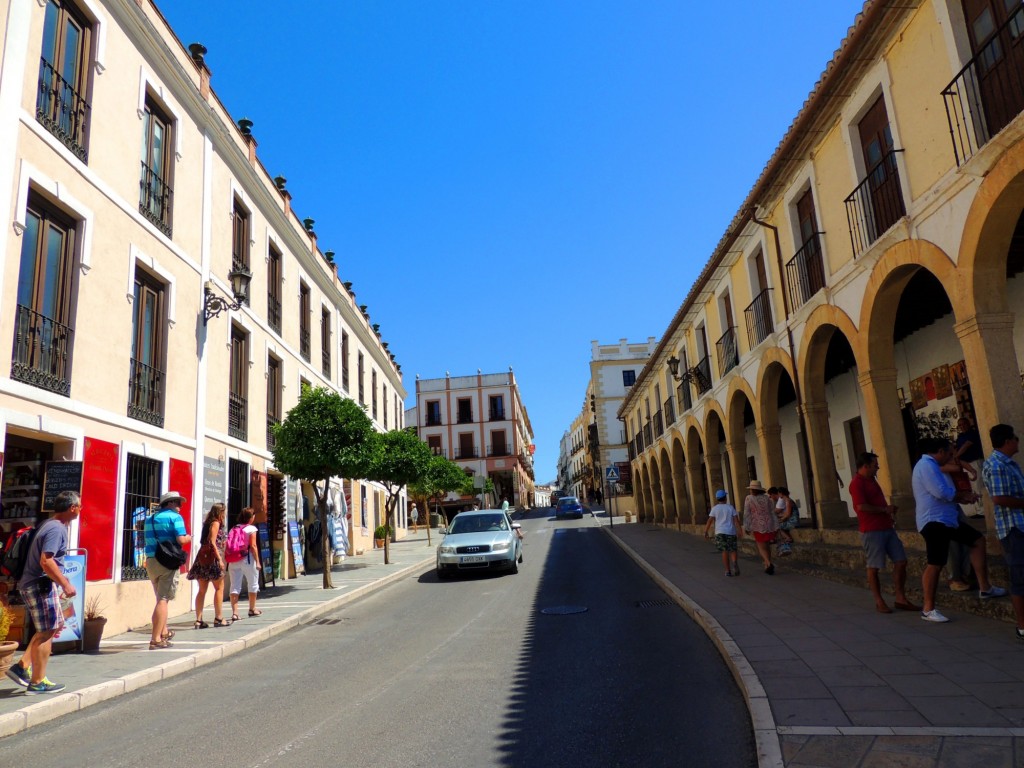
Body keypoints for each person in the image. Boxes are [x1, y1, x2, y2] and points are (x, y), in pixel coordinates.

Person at [913, 437, 1006, 623]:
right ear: (940, 451)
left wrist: (963, 498)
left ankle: (985, 587)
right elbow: (941, 492)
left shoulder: (932, 465)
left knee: (977, 540)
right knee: (935, 563)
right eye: (948, 452)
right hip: (934, 521)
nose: (950, 456)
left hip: (948, 520)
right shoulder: (926, 466)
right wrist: (963, 496)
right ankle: (928, 608)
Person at [6, 491, 81, 693]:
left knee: (51, 626)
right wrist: (65, 584)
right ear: (72, 508)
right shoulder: (56, 529)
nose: (80, 510)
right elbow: (46, 561)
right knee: (47, 631)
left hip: (37, 584)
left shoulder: (48, 524)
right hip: (40, 585)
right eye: (79, 506)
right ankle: (38, 682)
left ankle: (22, 667)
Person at [848, 452, 919, 614]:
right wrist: (884, 510)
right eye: (874, 465)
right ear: (865, 466)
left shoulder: (872, 480)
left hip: (886, 527)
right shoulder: (857, 483)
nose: (877, 468)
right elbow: (861, 506)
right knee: (874, 566)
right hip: (871, 530)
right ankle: (879, 600)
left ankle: (900, 597)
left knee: (901, 561)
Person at [981, 423, 1024, 641]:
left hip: (1021, 524)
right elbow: (999, 498)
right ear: (1007, 441)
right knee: (1019, 576)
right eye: (1015, 437)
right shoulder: (997, 465)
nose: (1018, 441)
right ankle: (1022, 625)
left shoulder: (1010, 463)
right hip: (1013, 526)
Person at [145, 490, 191, 649]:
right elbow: (181, 539)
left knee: (159, 598)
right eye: (178, 502)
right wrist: (188, 537)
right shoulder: (175, 518)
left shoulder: (149, 519)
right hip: (167, 562)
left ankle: (163, 631)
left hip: (151, 560)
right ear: (170, 503)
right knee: (163, 600)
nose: (180, 506)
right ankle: (155, 638)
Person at [186, 503, 228, 628]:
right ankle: (219, 618)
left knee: (202, 590)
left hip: (202, 558)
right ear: (220, 512)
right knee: (219, 588)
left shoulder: (207, 523)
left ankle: (199, 620)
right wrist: (220, 559)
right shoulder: (215, 523)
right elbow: (212, 542)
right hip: (212, 559)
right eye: (224, 512)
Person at [228, 507, 262, 621]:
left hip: (233, 560)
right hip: (247, 559)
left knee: (234, 586)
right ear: (251, 517)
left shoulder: (234, 528)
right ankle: (252, 609)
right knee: (252, 583)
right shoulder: (251, 528)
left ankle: (235, 613)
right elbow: (253, 546)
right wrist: (257, 561)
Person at [704, 489, 743, 576]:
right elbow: (736, 520)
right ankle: (735, 563)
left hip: (720, 532)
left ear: (717, 499)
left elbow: (709, 521)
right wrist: (740, 530)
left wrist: (705, 531)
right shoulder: (730, 507)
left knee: (724, 551)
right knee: (733, 549)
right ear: (725, 498)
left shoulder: (714, 509)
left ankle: (728, 571)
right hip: (731, 532)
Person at [742, 480, 778, 574]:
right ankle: (767, 565)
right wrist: (776, 525)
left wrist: (746, 526)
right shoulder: (768, 498)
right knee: (767, 545)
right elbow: (772, 512)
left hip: (757, 524)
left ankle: (768, 562)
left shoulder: (749, 498)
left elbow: (747, 513)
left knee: (760, 546)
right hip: (769, 524)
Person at [955, 417, 985, 518]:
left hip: (975, 462)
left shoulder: (973, 434)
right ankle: (975, 510)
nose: (962, 426)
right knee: (971, 487)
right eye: (960, 425)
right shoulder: (960, 437)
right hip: (966, 465)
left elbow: (966, 446)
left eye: (964, 424)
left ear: (968, 424)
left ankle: (983, 510)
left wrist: (956, 456)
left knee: (979, 485)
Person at [775, 486, 797, 553]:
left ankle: (788, 538)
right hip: (792, 520)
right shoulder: (788, 500)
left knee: (776, 526)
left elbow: (788, 514)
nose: (778, 495)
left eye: (778, 494)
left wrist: (781, 520)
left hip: (793, 521)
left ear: (781, 493)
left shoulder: (788, 501)